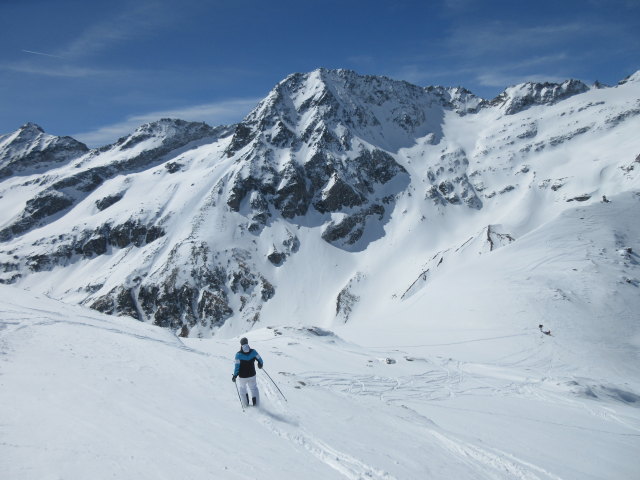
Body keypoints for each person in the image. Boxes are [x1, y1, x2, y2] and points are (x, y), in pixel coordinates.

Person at [232, 337, 263, 406]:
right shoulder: (253, 352)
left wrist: (235, 375)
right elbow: (260, 360)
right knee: (254, 388)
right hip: (252, 375)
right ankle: (256, 405)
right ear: (247, 342)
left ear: (241, 344)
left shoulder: (238, 355)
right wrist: (260, 364)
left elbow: (237, 367)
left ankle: (246, 405)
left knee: (243, 389)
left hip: (242, 376)